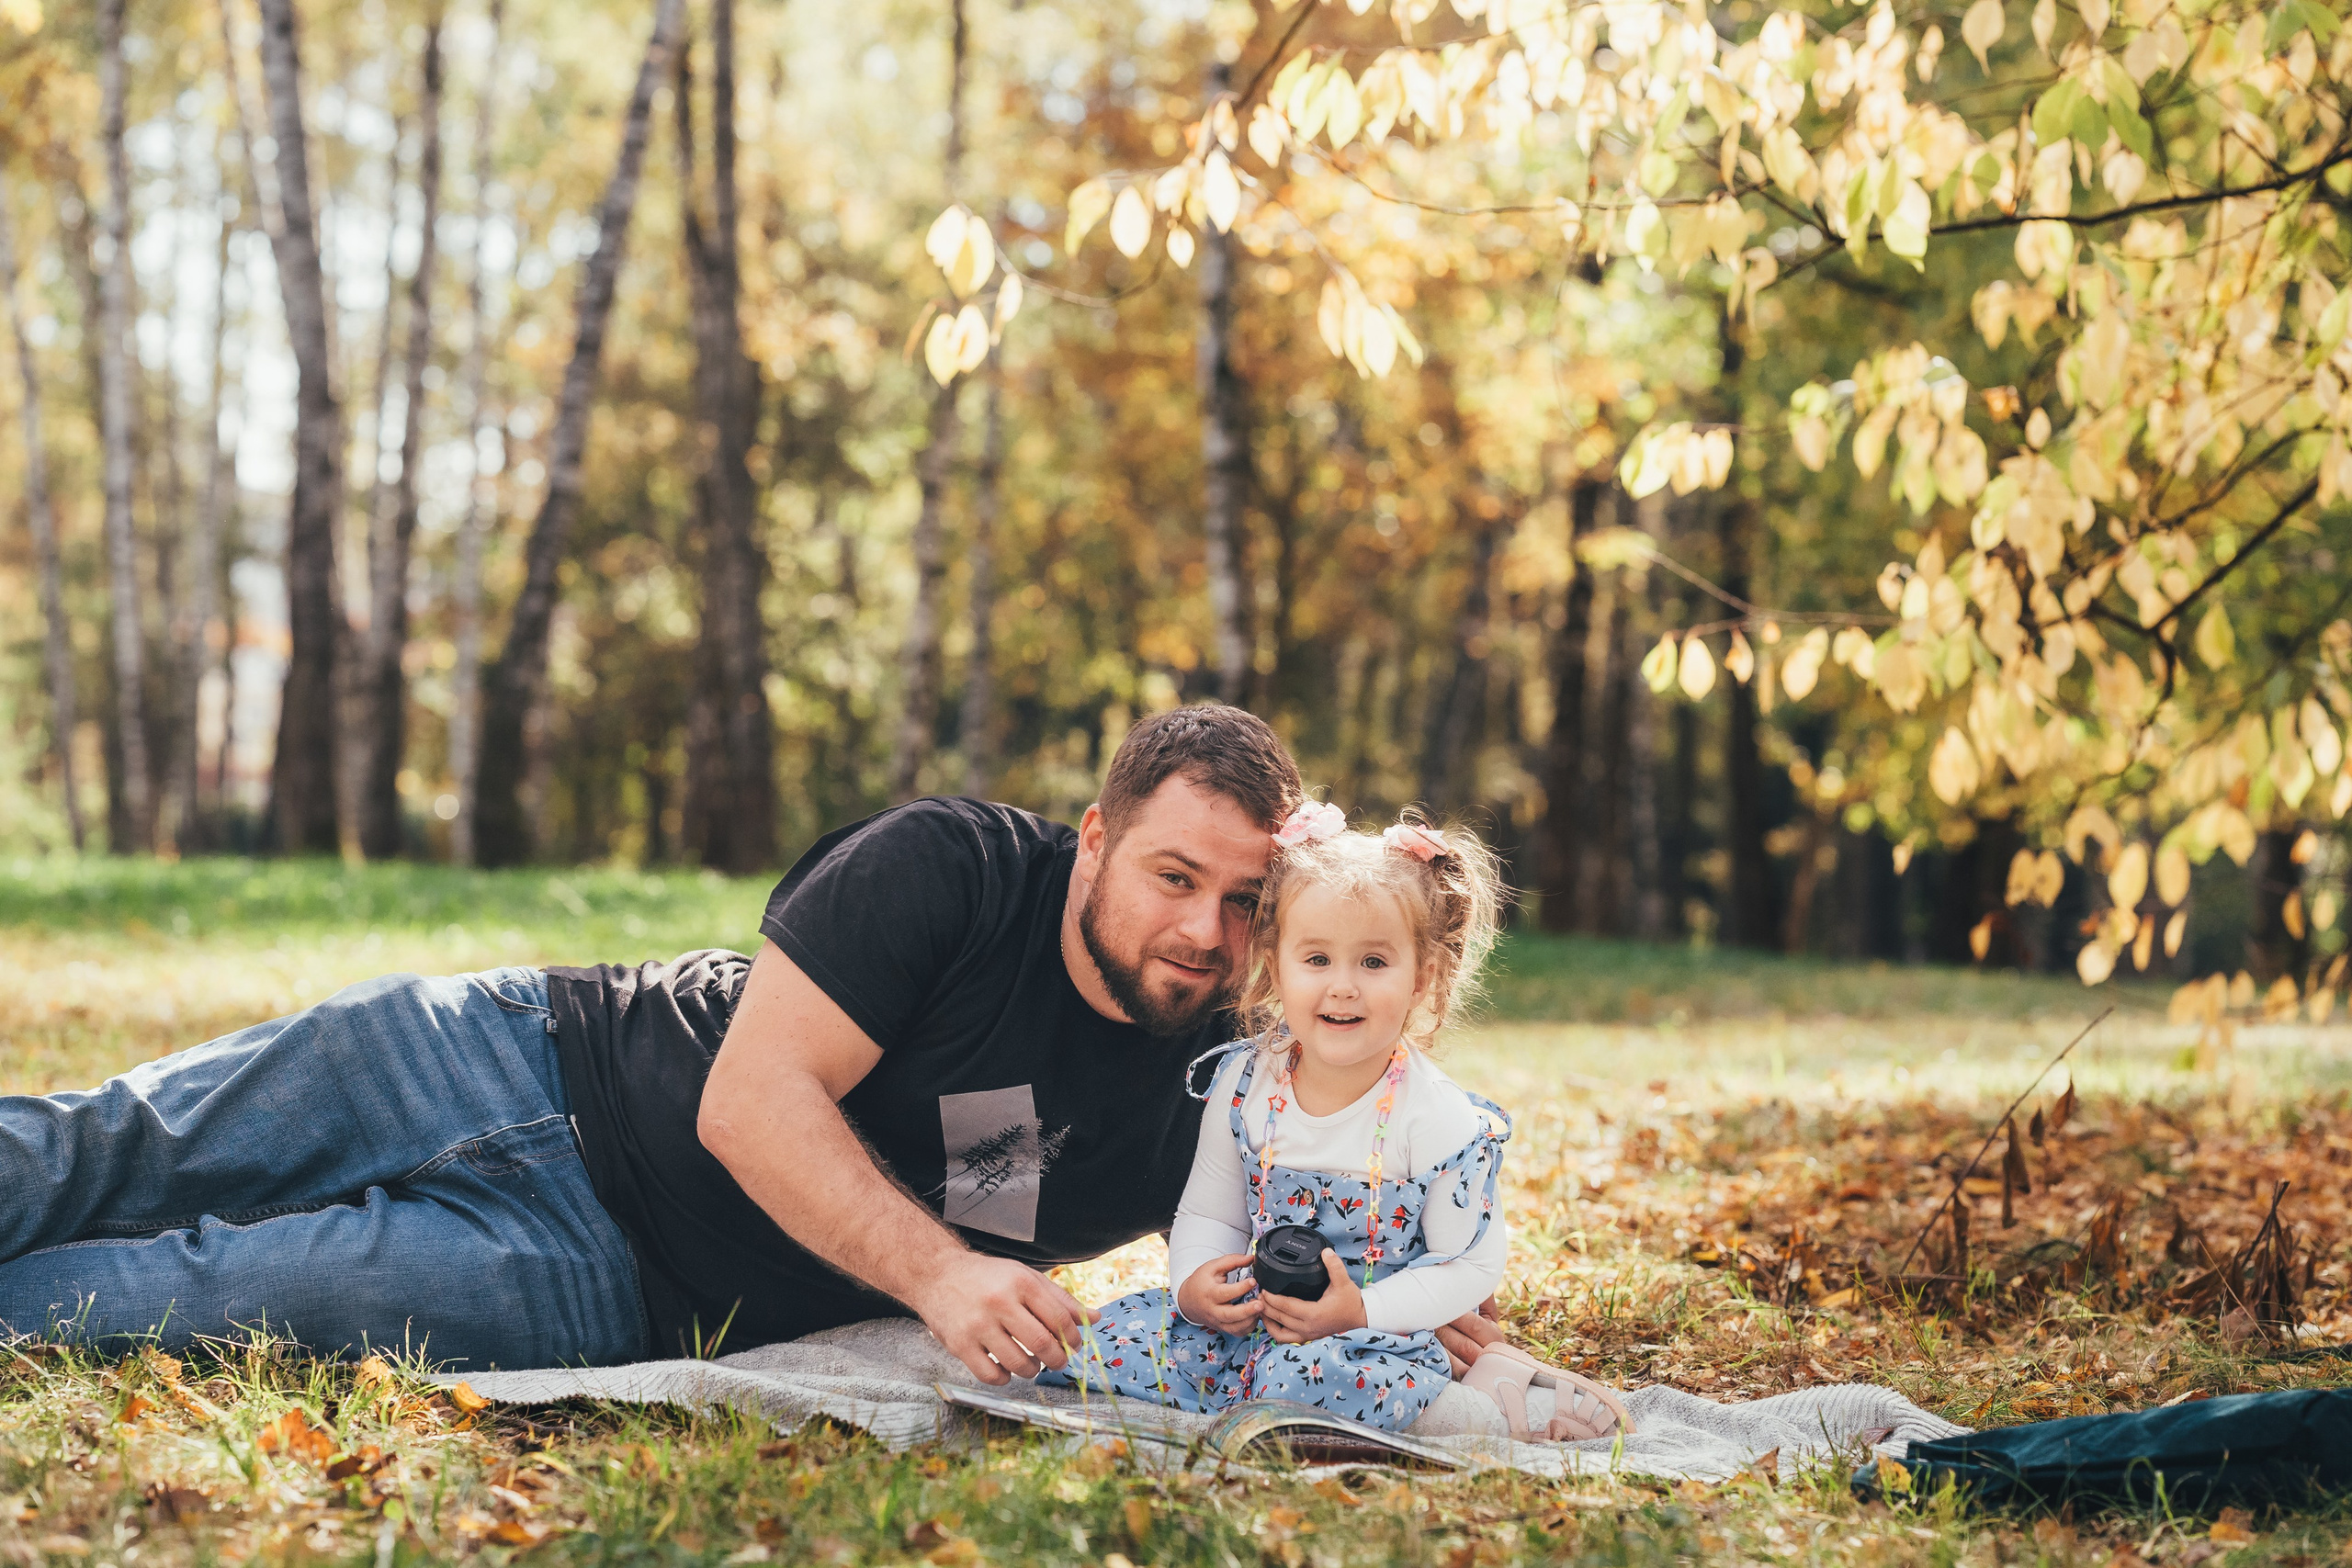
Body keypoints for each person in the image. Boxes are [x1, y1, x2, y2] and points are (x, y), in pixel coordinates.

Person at [0, 706, 1322, 1383]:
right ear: (1096, 836)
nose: (1203, 929)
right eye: (1171, 875)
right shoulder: (957, 869)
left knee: (158, 1301)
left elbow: (1339, 1229)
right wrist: (944, 1274)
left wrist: (1444, 1325)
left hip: (598, 1280)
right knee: (110, 1147)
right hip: (522, 1056)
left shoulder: (1214, 1088)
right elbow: (752, 1102)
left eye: (1247, 898)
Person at [1041, 805, 1631, 1440]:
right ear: (1275, 964)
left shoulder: (1434, 1117)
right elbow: (1210, 1214)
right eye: (1316, 959)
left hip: (1370, 1341)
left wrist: (1362, 1310)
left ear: (1421, 977)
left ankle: (1482, 1406)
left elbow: (1469, 1266)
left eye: (1373, 962)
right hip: (1250, 1326)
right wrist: (1193, 1286)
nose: (1342, 986)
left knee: (1304, 1382)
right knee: (1099, 1345)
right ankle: (1258, 1399)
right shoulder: (1245, 1085)